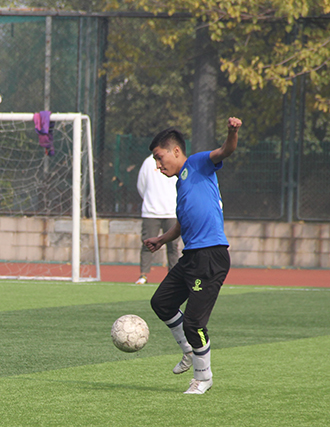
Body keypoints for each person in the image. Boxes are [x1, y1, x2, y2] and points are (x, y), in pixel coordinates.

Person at [144, 117, 242, 394]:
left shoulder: (197, 163)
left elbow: (225, 151)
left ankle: (203, 378)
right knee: (161, 302)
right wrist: (162, 239)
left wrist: (232, 132)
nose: (158, 165)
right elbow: (182, 224)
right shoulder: (182, 185)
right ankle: (188, 349)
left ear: (176, 151)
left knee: (194, 323)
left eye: (159, 157)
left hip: (210, 256)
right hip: (191, 257)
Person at [135, 154, 179, 285]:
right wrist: (150, 201)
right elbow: (141, 185)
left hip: (172, 212)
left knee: (173, 246)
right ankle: (143, 275)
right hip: (151, 212)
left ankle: (174, 276)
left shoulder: (175, 161)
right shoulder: (148, 162)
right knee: (147, 244)